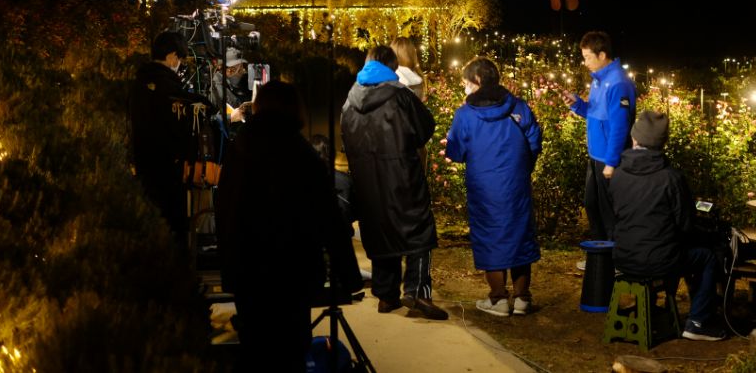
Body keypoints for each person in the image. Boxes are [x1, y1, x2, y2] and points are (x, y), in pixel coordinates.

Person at [216, 80, 363, 372]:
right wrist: (349, 274)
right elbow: (329, 218)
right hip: (292, 270)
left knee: (254, 348)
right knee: (290, 351)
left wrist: (228, 265)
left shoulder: (240, 149)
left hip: (247, 269)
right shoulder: (302, 154)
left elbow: (225, 209)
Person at [340, 45, 448, 320]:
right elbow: (425, 126)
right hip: (401, 174)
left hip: (366, 180)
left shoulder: (350, 101)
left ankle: (386, 296)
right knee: (419, 230)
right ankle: (418, 291)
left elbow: (346, 138)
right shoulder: (400, 95)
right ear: (391, 66)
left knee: (380, 231)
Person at [609, 110, 727, 341]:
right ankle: (698, 322)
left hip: (623, 256)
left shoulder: (618, 175)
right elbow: (685, 226)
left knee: (668, 250)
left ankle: (653, 308)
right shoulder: (671, 178)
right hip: (659, 260)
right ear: (662, 143)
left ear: (634, 138)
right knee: (707, 257)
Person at [445, 57, 542, 317]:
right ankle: (523, 298)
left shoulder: (465, 114)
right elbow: (534, 138)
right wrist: (522, 166)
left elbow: (455, 150)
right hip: (516, 183)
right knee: (519, 235)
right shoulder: (517, 106)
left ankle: (498, 299)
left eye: (466, 83)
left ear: (477, 82)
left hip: (484, 186)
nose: (464, 88)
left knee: (490, 238)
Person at [129, 31, 211, 243]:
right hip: (168, 168)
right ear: (172, 56)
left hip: (143, 162)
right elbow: (194, 106)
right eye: (180, 59)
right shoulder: (167, 86)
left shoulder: (140, 82)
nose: (180, 64)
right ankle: (177, 269)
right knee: (174, 223)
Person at [562, 30, 636, 242]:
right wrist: (577, 105)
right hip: (596, 156)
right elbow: (595, 115)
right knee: (592, 206)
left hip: (609, 160)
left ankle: (616, 261)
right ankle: (599, 259)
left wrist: (611, 163)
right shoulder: (598, 80)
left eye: (587, 57)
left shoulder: (618, 83)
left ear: (602, 55)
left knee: (609, 213)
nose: (584, 62)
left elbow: (619, 127)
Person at [211, 47, 250, 123]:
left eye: (242, 68)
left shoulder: (241, 84)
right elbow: (210, 119)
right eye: (240, 69)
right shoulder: (216, 90)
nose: (243, 72)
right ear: (229, 71)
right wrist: (230, 118)